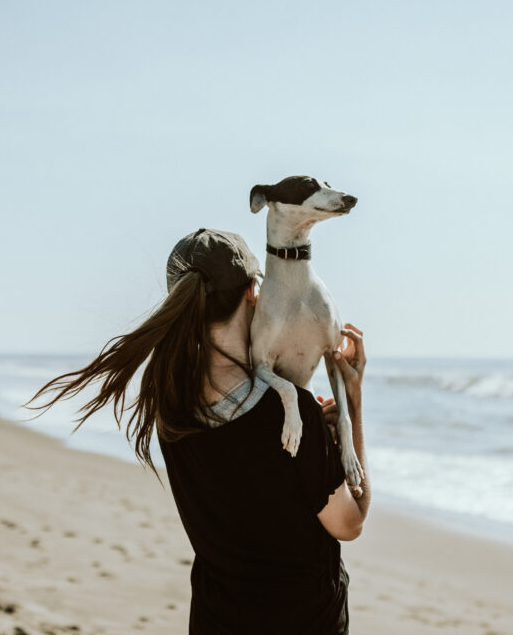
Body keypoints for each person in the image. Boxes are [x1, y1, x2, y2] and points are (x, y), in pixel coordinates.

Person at [24, 228, 371, 634]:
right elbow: (350, 523)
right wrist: (354, 402)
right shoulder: (288, 410)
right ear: (253, 293)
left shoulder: (171, 406)